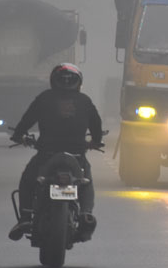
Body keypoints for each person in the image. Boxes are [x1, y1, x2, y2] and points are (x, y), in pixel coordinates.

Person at [8, 63, 104, 241]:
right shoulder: (85, 101)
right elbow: (96, 126)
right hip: (76, 156)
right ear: (79, 82)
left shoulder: (44, 98)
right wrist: (96, 142)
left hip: (47, 154)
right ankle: (85, 214)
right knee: (86, 182)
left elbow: (27, 120)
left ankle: (25, 217)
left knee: (28, 179)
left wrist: (19, 135)